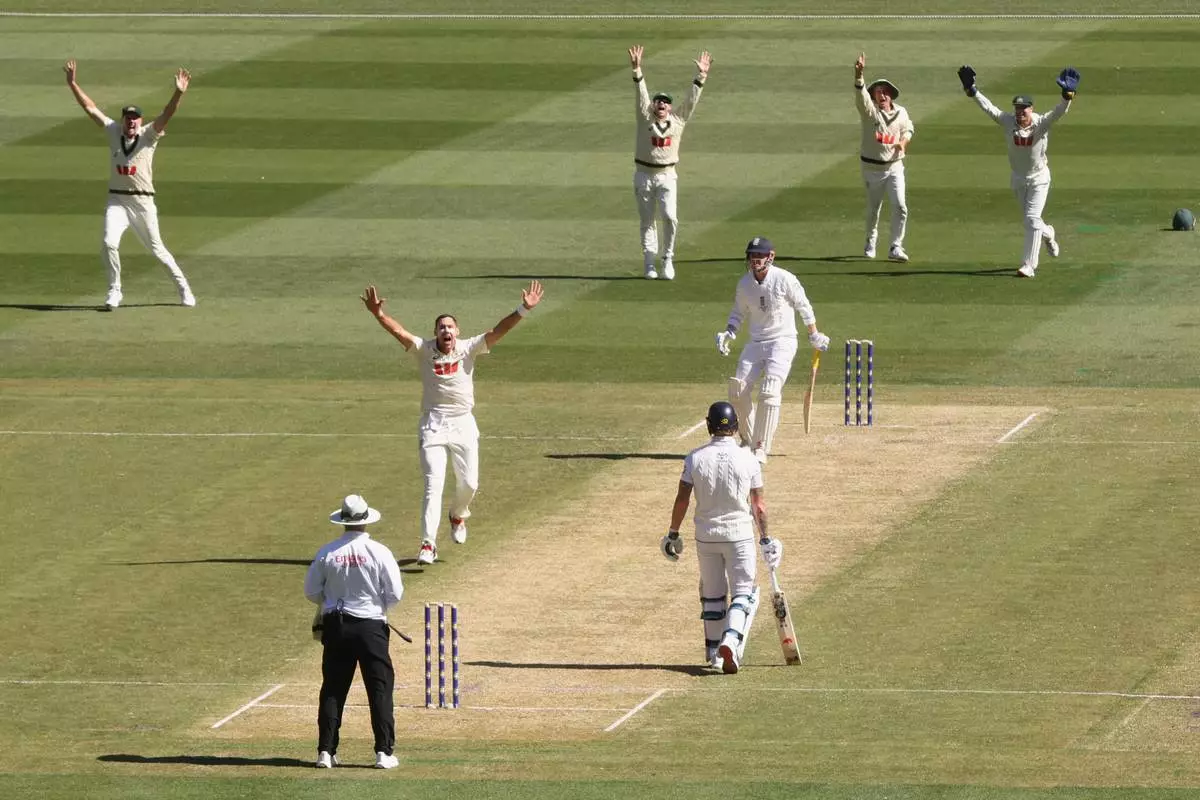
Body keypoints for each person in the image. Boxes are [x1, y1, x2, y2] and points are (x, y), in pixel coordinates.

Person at [362, 280, 544, 565]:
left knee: (469, 483)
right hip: (433, 424)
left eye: (450, 327)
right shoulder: (423, 349)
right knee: (433, 484)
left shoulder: (469, 348)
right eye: (441, 327)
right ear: (435, 332)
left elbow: (499, 330)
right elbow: (399, 332)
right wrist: (379, 314)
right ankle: (428, 543)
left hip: (463, 423)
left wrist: (524, 309)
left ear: (457, 331)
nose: (446, 330)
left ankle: (458, 515)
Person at [63, 60, 196, 311]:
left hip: (143, 203)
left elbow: (167, 114)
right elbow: (91, 108)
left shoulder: (149, 135)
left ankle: (184, 288)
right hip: (117, 201)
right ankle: (115, 290)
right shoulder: (113, 131)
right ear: (122, 120)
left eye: (135, 119)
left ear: (140, 120)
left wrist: (178, 93)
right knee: (109, 243)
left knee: (158, 250)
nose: (131, 122)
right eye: (128, 118)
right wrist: (73, 84)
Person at [661, 401, 783, 674]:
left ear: (708, 425)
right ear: (736, 427)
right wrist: (766, 539)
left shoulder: (694, 458)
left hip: (706, 537)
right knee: (744, 593)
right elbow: (758, 505)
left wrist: (673, 533)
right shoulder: (749, 459)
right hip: (739, 536)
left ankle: (715, 654)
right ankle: (730, 639)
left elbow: (682, 499)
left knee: (713, 594)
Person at [305, 494, 403, 770]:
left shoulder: (328, 552)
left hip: (336, 626)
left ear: (343, 522)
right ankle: (383, 752)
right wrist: (378, 608)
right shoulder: (379, 551)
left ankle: (326, 752)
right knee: (379, 688)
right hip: (371, 626)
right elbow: (395, 593)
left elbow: (311, 591)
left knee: (333, 688)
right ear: (365, 521)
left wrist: (330, 601)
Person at [715, 237, 831, 464]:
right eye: (752, 255)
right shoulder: (744, 283)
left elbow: (803, 306)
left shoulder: (785, 279)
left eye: (760, 255)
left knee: (770, 389)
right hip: (756, 342)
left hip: (782, 341)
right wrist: (728, 332)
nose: (755, 260)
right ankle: (748, 441)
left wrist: (814, 334)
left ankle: (760, 447)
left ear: (771, 256)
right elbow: (738, 312)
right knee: (737, 390)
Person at [957, 64, 1080, 278]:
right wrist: (973, 91)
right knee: (1032, 221)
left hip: (1039, 178)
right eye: (1017, 108)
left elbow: (1058, 112)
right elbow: (989, 108)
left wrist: (1066, 96)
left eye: (1024, 109)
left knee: (1031, 219)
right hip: (1018, 179)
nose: (1020, 112)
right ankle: (1048, 233)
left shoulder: (1041, 123)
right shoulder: (1008, 122)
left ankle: (1029, 265)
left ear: (1031, 109)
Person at [628, 45, 712, 281]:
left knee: (670, 217)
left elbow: (691, 102)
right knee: (647, 221)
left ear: (670, 107)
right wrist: (637, 70)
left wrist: (701, 76)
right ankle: (649, 262)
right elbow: (641, 95)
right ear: (653, 105)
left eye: (665, 102)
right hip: (643, 174)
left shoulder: (678, 120)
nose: (662, 105)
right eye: (658, 102)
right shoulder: (644, 117)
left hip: (667, 175)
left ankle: (667, 258)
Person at [854, 52, 914, 262]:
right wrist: (859, 76)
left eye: (885, 92)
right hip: (872, 169)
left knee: (901, 206)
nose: (881, 95)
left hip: (895, 167)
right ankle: (871, 240)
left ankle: (896, 246)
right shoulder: (870, 113)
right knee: (874, 209)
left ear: (891, 95)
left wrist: (903, 143)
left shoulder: (901, 112)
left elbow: (908, 129)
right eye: (878, 92)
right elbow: (861, 99)